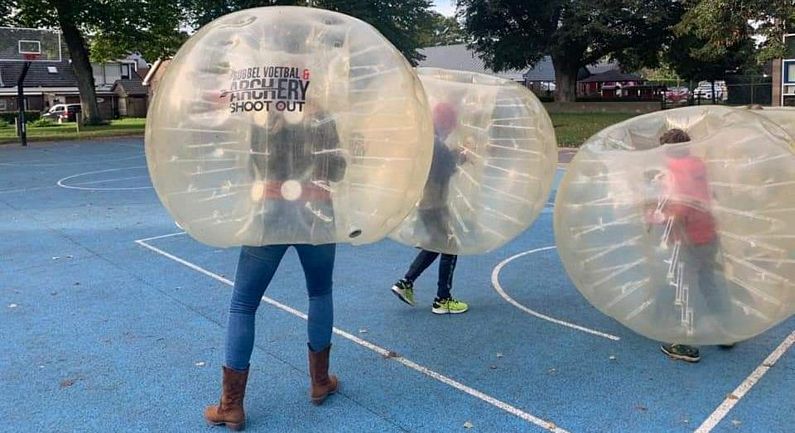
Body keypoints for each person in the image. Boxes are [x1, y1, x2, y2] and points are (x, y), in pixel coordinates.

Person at [204, 107, 347, 431]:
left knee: (244, 304)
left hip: (270, 212)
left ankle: (231, 406)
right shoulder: (322, 115)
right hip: (317, 212)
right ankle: (320, 382)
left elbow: (252, 166)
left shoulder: (262, 115)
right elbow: (337, 169)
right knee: (320, 292)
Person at [649, 128, 733, 363]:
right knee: (709, 281)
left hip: (686, 239)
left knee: (682, 288)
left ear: (667, 150)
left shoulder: (674, 170)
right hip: (708, 233)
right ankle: (726, 331)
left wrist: (656, 216)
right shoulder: (698, 165)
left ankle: (683, 343)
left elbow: (680, 206)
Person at [390, 102, 469, 315]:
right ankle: (442, 299)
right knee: (450, 246)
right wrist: (459, 157)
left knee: (436, 245)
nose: (453, 128)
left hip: (427, 203)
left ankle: (406, 282)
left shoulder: (428, 139)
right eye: (451, 123)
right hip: (433, 204)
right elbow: (444, 170)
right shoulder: (436, 143)